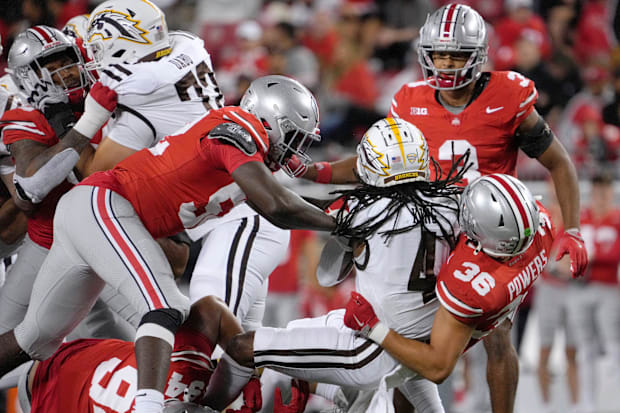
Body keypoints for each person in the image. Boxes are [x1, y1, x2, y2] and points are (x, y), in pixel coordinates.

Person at [293, 4, 587, 411]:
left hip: (487, 237)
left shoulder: (507, 95)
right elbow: (374, 162)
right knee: (408, 336)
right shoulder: (410, 100)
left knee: (497, 335)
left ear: (479, 55)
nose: (447, 64)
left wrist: (572, 228)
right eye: (441, 53)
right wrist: (318, 171)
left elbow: (559, 162)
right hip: (427, 230)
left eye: (457, 54)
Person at [0, 74, 335, 413]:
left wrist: (339, 210)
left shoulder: (246, 155)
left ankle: (207, 394)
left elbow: (283, 198)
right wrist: (341, 224)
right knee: (164, 307)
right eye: (293, 136)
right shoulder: (238, 126)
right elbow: (276, 205)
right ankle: (150, 407)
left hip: (91, 214)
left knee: (34, 336)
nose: (296, 150)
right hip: (103, 204)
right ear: (267, 118)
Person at [226, 117, 467, 413]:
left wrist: (239, 190)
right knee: (298, 337)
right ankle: (338, 394)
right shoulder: (453, 205)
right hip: (419, 336)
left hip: (374, 341)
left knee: (243, 347)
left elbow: (291, 216)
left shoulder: (365, 212)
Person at [342, 172, 552, 384]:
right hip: (501, 297)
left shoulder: (469, 285)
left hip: (433, 340)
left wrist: (372, 326)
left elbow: (438, 369)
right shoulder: (543, 226)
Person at [0, 26, 138, 342]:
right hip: (48, 242)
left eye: (66, 60)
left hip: (113, 233)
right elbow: (30, 187)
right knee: (12, 338)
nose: (65, 71)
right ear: (28, 78)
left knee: (154, 318)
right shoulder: (23, 113)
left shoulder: (112, 96)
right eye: (49, 66)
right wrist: (80, 126)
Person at [566, 171, 620, 413]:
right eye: (597, 191)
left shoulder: (616, 219)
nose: (600, 196)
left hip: (608, 289)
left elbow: (614, 254)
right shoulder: (582, 218)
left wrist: (594, 256)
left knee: (612, 345)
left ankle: (611, 401)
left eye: (605, 191)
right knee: (585, 346)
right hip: (580, 288)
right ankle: (589, 403)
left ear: (611, 193)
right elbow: (566, 249)